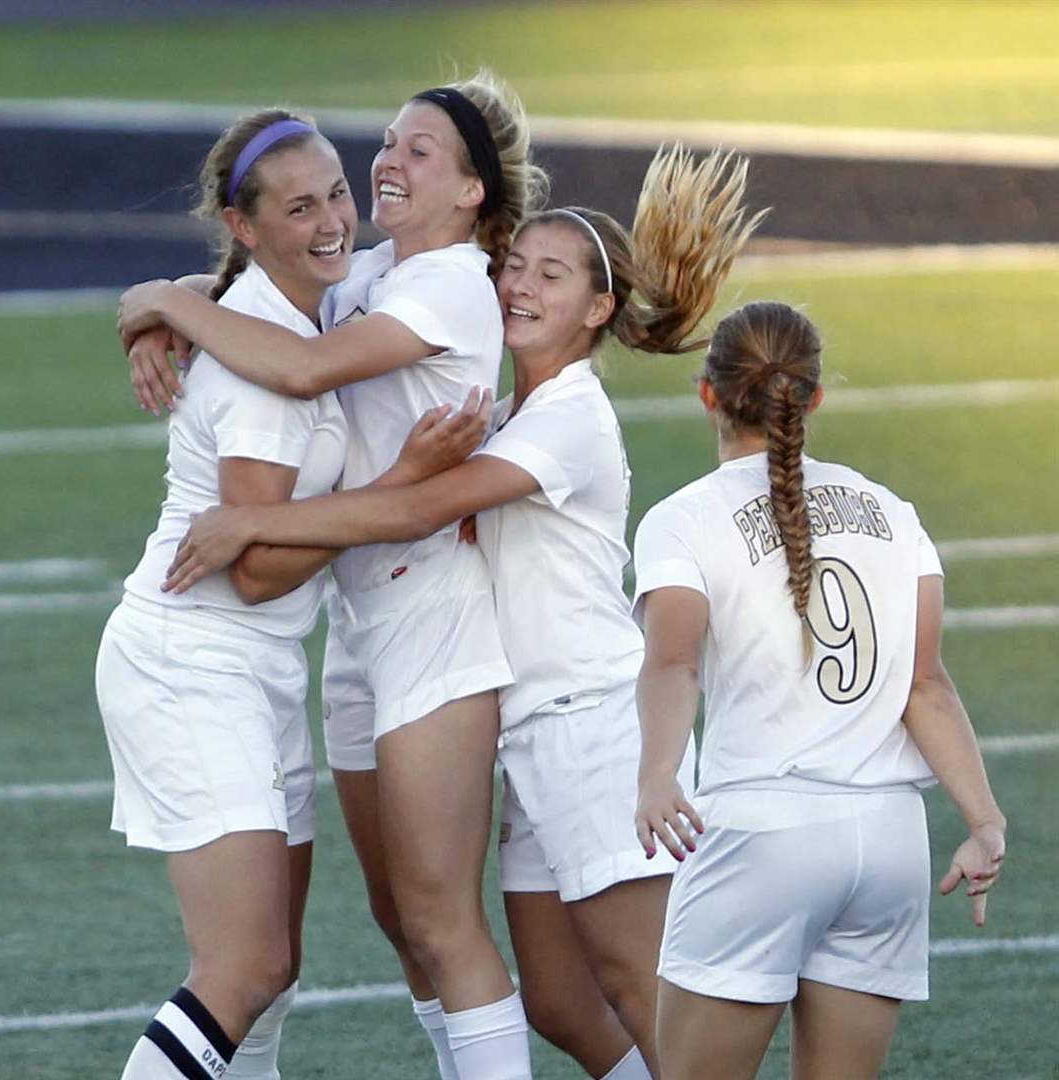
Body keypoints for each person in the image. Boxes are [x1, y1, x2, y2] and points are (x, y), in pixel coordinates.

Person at [150, 144, 765, 1079]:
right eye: (513, 267)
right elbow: (275, 281)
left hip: (595, 730)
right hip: (528, 734)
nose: (516, 288)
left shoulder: (569, 419)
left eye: (549, 277)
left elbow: (414, 508)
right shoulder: (515, 409)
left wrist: (253, 523)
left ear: (597, 310)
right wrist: (162, 304)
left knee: (644, 991)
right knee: (560, 1000)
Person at [118, 72, 549, 1080]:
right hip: (339, 632)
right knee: (387, 925)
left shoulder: (443, 283)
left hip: (425, 619)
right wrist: (155, 301)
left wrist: (170, 305)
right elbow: (270, 297)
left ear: (474, 191)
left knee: (426, 925)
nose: (384, 165)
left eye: (419, 151)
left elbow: (303, 370)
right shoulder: (374, 275)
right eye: (387, 142)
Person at [630, 301, 1008, 1080]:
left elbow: (673, 663)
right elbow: (926, 686)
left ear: (708, 393)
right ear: (814, 398)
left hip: (764, 830)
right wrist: (984, 820)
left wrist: (657, 773)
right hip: (892, 844)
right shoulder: (892, 513)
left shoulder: (684, 519)